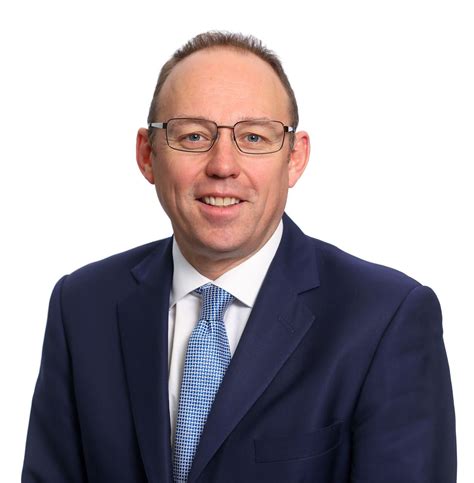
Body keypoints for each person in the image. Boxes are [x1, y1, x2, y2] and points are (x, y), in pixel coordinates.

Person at [22, 31, 456, 483]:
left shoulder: (386, 319)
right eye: (193, 136)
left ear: (295, 158)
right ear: (147, 155)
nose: (223, 165)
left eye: (253, 136)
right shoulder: (81, 305)